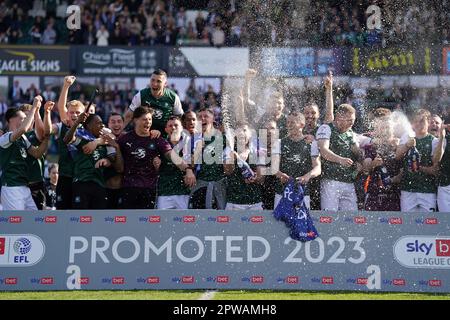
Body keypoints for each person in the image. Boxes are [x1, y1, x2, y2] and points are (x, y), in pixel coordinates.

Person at [118, 106, 195, 209]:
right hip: (129, 188)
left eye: (150, 119)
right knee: (127, 222)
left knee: (148, 223)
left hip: (149, 189)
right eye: (145, 119)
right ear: (135, 120)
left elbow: (171, 155)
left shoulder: (157, 139)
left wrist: (187, 169)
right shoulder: (124, 139)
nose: (148, 122)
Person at [0, 96, 50, 210]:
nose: (27, 120)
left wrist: (47, 138)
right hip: (11, 187)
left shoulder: (22, 138)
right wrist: (34, 107)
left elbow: (37, 153)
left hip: (24, 187)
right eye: (23, 118)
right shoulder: (5, 138)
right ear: (11, 120)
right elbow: (23, 129)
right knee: (15, 225)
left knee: (34, 221)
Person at [64, 113, 123, 209]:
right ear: (89, 126)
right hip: (81, 183)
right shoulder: (82, 140)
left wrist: (108, 160)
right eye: (98, 123)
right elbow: (67, 139)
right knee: (80, 218)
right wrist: (77, 122)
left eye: (102, 123)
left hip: (99, 185)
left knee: (99, 220)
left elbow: (116, 164)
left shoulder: (104, 143)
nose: (102, 125)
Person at [316, 104, 362, 211]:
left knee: (351, 218)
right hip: (331, 181)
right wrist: (340, 160)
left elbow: (357, 153)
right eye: (349, 120)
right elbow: (323, 151)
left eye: (353, 120)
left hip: (348, 182)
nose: (352, 123)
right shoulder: (326, 128)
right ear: (338, 118)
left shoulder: (351, 133)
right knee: (329, 216)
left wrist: (360, 160)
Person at [274, 111, 321, 210]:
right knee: (278, 225)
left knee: (302, 224)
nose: (289, 125)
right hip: (282, 192)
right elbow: (274, 168)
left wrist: (307, 176)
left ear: (302, 125)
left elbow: (318, 168)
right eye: (287, 122)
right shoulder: (278, 143)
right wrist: (279, 174)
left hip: (303, 192)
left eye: (292, 122)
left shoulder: (312, 143)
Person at [396, 109, 439, 212]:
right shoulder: (407, 136)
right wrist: (407, 145)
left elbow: (436, 170)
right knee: (407, 223)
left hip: (427, 190)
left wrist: (419, 168)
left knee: (429, 224)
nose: (418, 124)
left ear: (428, 122)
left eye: (422, 121)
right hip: (407, 190)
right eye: (416, 121)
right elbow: (397, 156)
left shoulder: (434, 141)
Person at [362, 108, 402, 211]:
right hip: (374, 195)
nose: (385, 130)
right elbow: (365, 169)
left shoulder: (400, 145)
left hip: (395, 196)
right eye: (382, 127)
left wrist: (394, 179)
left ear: (393, 126)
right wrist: (373, 164)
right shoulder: (371, 146)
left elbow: (406, 170)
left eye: (387, 127)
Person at [188, 107, 226, 209]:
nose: (203, 119)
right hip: (201, 184)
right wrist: (198, 149)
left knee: (223, 218)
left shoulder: (223, 138)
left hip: (220, 183)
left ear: (213, 119)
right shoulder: (193, 139)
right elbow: (190, 165)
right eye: (200, 117)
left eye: (206, 116)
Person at [124, 69, 184, 134]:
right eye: (152, 80)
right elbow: (128, 116)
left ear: (165, 84)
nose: (155, 84)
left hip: (165, 137)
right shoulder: (141, 95)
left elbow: (180, 118)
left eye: (159, 81)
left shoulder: (173, 97)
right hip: (144, 136)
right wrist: (116, 133)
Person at [156, 116, 195, 209]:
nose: (173, 128)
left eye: (176, 125)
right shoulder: (161, 143)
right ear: (166, 129)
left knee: (185, 222)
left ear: (182, 128)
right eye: (170, 126)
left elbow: (195, 166)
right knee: (162, 222)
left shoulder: (190, 144)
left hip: (184, 192)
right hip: (165, 192)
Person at [224, 122, 265, 210]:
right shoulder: (229, 151)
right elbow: (228, 171)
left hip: (255, 202)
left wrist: (255, 178)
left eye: (245, 130)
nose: (242, 133)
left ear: (250, 134)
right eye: (239, 131)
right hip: (234, 202)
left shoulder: (257, 151)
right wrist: (232, 159)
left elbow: (261, 178)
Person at [104, 112, 125, 208]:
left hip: (124, 190)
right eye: (113, 122)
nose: (116, 124)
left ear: (123, 124)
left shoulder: (129, 139)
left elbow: (120, 169)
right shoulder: (101, 140)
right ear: (108, 125)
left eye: (119, 121)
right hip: (106, 189)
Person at [434, 121, 450, 212]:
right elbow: (436, 160)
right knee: (445, 220)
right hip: (445, 186)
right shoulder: (443, 139)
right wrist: (442, 138)